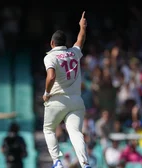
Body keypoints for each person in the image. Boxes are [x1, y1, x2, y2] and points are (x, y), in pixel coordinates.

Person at [42, 11, 91, 168]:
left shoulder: (50, 56)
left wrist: (46, 93)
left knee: (49, 129)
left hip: (57, 100)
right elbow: (80, 40)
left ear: (52, 43)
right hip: (76, 101)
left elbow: (51, 77)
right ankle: (85, 164)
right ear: (65, 43)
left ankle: (57, 162)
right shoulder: (73, 53)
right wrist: (82, 27)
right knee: (76, 133)